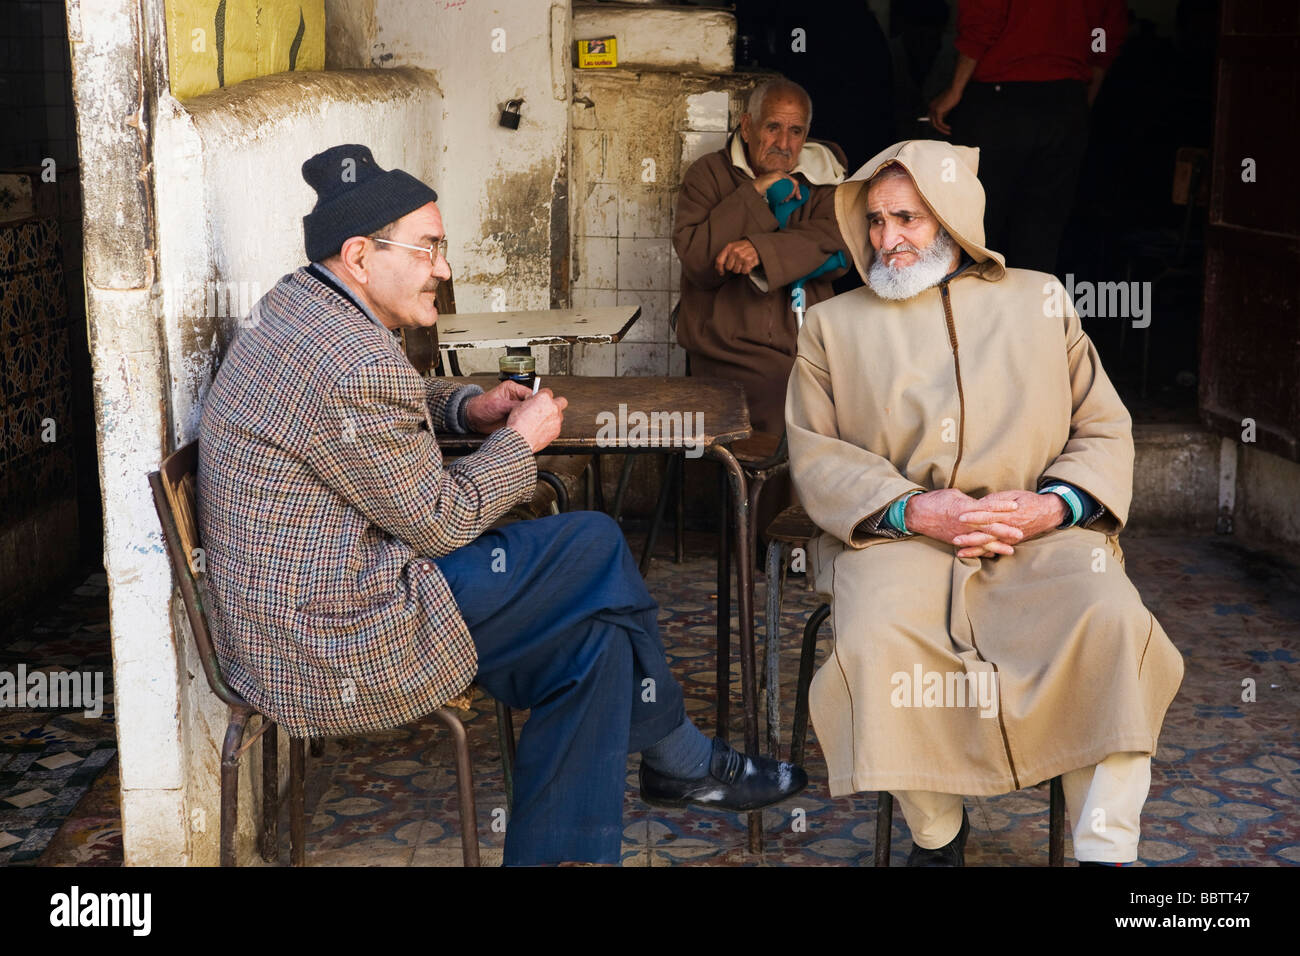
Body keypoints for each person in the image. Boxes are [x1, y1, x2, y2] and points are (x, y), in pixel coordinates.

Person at [197, 144, 806, 866]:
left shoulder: (300, 306)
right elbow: (442, 520)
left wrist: (466, 407)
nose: (444, 271)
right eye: (428, 251)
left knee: (599, 650)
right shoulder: (353, 361)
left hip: (302, 613)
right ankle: (681, 755)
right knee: (593, 544)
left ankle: (630, 803)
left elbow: (376, 413)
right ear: (361, 255)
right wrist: (520, 443)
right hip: (331, 639)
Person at [785, 139, 1184, 866]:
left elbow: (1103, 425)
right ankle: (939, 834)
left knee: (1115, 625)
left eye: (906, 218)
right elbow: (817, 454)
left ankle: (1106, 852)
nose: (886, 240)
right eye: (874, 221)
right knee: (876, 644)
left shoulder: (1041, 301)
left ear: (953, 219)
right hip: (898, 540)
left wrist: (1054, 506)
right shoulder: (832, 326)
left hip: (1038, 535)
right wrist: (912, 509)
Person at [674, 78, 850, 532]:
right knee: (785, 397)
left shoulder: (825, 175)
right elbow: (698, 260)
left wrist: (759, 249)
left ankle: (820, 534)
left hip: (806, 338)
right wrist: (755, 195)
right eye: (773, 128)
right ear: (746, 126)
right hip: (728, 343)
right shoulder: (708, 175)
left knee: (850, 396)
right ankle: (770, 540)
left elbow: (840, 247)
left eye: (796, 132)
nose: (784, 143)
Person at [927, 0, 1128, 274]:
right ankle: (1031, 313)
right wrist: (1080, 101)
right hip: (1066, 102)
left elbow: (984, 20)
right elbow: (1103, 36)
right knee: (1040, 234)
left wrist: (955, 90)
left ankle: (973, 315)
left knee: (977, 233)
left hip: (999, 102)